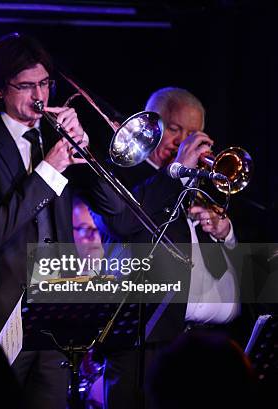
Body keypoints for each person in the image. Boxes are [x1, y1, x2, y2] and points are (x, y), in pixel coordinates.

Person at [0, 33, 88, 409]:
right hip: (1, 309)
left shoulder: (58, 139)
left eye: (44, 83)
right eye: (26, 86)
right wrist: (48, 169)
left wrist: (85, 150)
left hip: (56, 310)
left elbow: (117, 213)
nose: (39, 97)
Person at [90, 87, 247, 409]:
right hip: (143, 342)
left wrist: (225, 231)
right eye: (175, 129)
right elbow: (123, 224)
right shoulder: (123, 174)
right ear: (150, 126)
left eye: (193, 133)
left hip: (201, 343)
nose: (183, 142)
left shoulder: (199, 185)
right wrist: (173, 172)